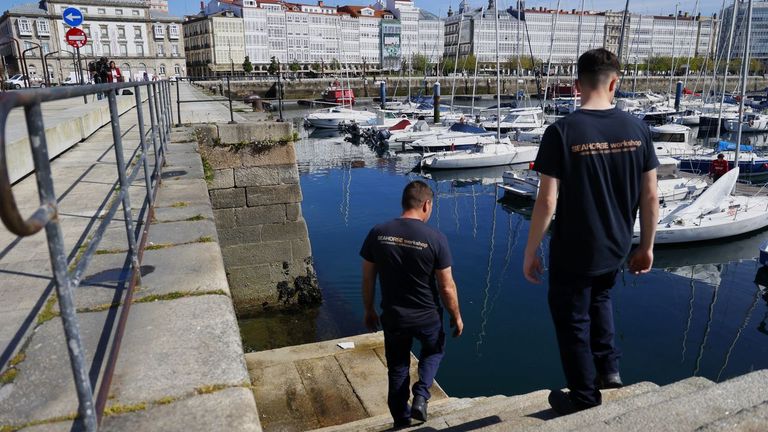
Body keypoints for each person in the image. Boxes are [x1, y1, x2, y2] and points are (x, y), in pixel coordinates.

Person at [522, 48, 660, 416]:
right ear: (615, 82)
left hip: (574, 251)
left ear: (576, 84)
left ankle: (584, 396)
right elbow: (650, 196)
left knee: (572, 320)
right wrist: (646, 246)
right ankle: (609, 370)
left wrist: (530, 250)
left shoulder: (561, 132)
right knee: (600, 300)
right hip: (616, 246)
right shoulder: (638, 129)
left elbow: (547, 200)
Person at [360, 181, 463, 429]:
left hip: (394, 317)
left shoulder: (378, 232)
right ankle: (421, 395)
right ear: (427, 204)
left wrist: (369, 309)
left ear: (404, 202)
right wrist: (456, 316)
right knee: (435, 349)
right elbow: (446, 286)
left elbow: (367, 277)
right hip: (427, 316)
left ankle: (401, 420)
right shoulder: (435, 238)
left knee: (397, 368)